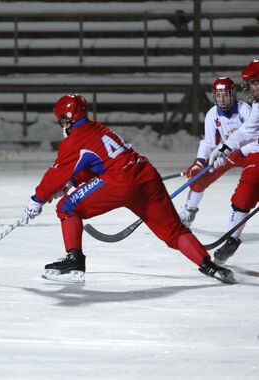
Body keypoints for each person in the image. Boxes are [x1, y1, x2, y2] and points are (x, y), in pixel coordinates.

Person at [22, 93, 235, 284]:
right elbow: (98, 162)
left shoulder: (75, 139)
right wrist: (72, 182)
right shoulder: (98, 129)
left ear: (67, 118)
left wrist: (37, 200)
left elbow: (56, 173)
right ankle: (210, 266)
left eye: (62, 119)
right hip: (147, 177)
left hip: (121, 182)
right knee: (173, 231)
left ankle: (74, 260)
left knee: (67, 208)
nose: (62, 124)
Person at [178, 77, 251, 227]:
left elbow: (253, 137)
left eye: (226, 94)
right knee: (200, 177)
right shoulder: (212, 114)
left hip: (248, 152)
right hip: (225, 153)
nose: (222, 99)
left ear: (233, 95)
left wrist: (238, 152)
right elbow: (209, 143)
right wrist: (199, 162)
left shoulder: (245, 110)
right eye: (218, 95)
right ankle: (189, 211)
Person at [208, 59, 259, 264]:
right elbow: (249, 131)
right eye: (251, 84)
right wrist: (225, 146)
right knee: (246, 188)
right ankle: (232, 239)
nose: (252, 88)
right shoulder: (257, 104)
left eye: (256, 82)